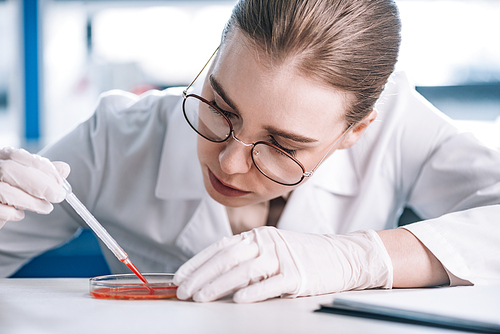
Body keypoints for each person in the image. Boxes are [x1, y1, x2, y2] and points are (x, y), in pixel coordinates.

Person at [1, 0, 499, 303]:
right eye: (220, 108)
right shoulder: (116, 138)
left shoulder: (396, 126)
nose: (229, 163)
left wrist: (355, 259)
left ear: (358, 128)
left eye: (283, 144)